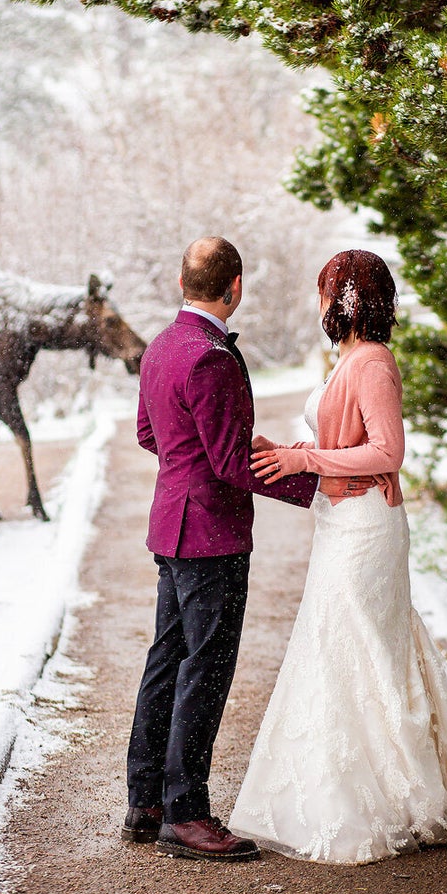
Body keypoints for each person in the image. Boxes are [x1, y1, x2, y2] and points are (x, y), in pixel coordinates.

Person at [229, 249, 447, 864]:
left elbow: (388, 452)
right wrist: (295, 450)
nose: (320, 305)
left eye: (325, 293)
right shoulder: (348, 359)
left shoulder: (374, 362)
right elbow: (343, 442)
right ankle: (347, 790)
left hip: (367, 530)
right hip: (339, 520)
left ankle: (401, 798)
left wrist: (307, 460)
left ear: (348, 299)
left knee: (367, 648)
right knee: (338, 646)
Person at [122, 236, 320, 862]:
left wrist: (194, 461)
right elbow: (232, 461)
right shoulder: (211, 358)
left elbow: (148, 432)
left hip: (173, 529)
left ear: (184, 283)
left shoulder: (161, 346)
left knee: (166, 662)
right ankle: (185, 813)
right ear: (235, 286)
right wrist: (314, 486)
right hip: (211, 536)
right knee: (204, 670)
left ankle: (145, 800)